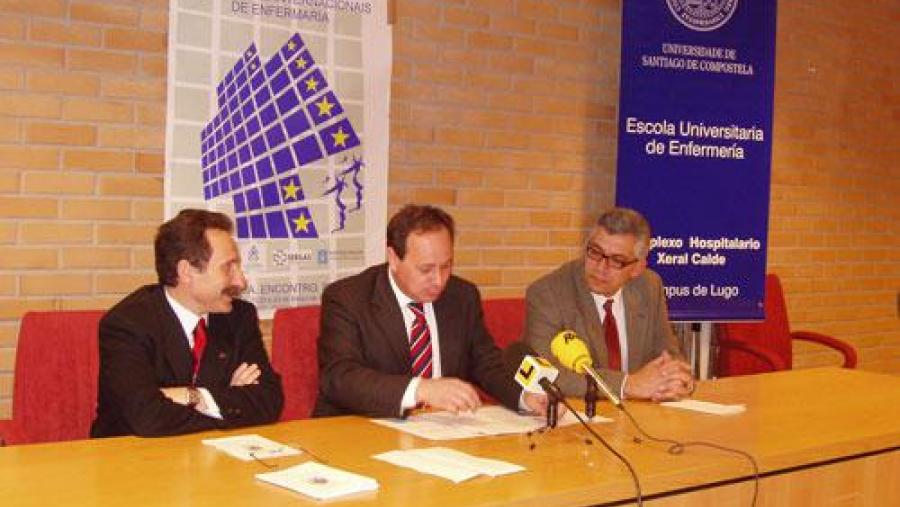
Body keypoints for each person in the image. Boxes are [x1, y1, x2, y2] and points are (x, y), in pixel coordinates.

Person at [315, 204, 549, 418]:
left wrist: (524, 397)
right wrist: (421, 389)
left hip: (442, 431)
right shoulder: (348, 298)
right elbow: (339, 378)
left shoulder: (462, 296)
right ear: (394, 258)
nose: (439, 280)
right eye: (426, 269)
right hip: (362, 431)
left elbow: (485, 363)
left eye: (446, 266)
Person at [91, 209, 283, 437]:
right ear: (186, 271)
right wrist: (227, 401)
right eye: (228, 267)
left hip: (214, 456)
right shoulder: (127, 324)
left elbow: (270, 401)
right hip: (132, 458)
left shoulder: (239, 316)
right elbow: (147, 418)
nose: (241, 281)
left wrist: (193, 397)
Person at [524, 207, 694, 401]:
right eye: (595, 252)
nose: (600, 267)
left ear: (637, 268)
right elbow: (544, 373)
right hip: (580, 414)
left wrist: (676, 379)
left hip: (641, 411)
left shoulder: (649, 286)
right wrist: (626, 385)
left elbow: (667, 352)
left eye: (616, 261)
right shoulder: (548, 293)